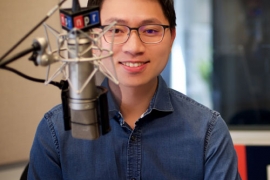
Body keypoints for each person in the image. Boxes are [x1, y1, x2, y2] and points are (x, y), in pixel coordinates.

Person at [28, 0, 241, 179]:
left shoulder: (208, 132)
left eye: (150, 30)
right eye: (115, 30)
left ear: (172, 36)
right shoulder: (55, 131)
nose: (134, 48)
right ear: (91, 39)